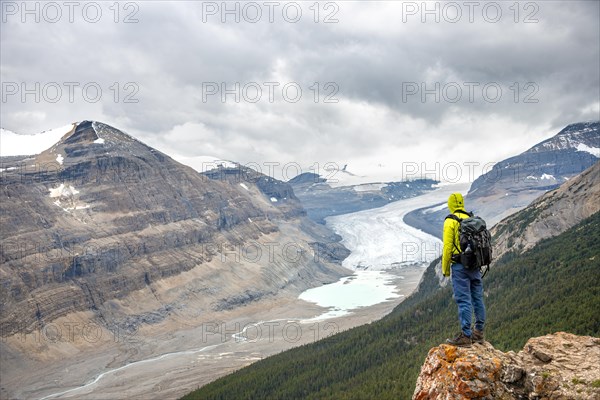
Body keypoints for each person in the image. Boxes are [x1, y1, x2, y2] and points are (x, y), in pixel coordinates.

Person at [442, 192, 485, 347]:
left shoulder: (450, 221)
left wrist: (445, 269)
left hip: (460, 266)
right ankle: (479, 332)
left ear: (451, 205)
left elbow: (447, 247)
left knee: (463, 300)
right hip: (475, 264)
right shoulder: (470, 219)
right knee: (477, 298)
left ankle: (466, 335)